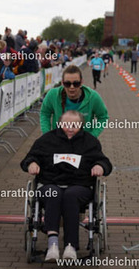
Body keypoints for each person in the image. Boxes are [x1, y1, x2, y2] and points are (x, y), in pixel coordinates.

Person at [21, 110, 112, 261]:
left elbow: (104, 161)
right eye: (66, 124)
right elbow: (30, 157)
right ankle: (53, 244)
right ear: (60, 123)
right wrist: (32, 163)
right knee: (53, 193)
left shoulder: (90, 142)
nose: (70, 128)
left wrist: (100, 166)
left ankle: (71, 246)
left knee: (71, 195)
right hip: (50, 183)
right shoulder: (46, 140)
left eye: (75, 125)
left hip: (79, 185)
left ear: (81, 125)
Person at [40, 65, 108, 137]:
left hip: (83, 141)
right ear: (62, 83)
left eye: (76, 84)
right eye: (67, 84)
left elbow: (103, 117)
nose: (71, 87)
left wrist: (92, 136)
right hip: (58, 140)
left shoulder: (93, 97)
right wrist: (47, 135)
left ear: (81, 82)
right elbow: (45, 113)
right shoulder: (53, 95)